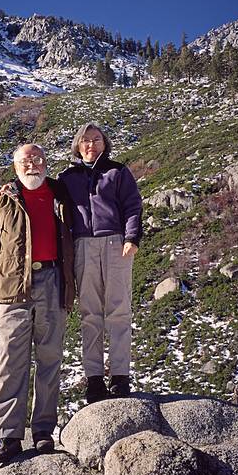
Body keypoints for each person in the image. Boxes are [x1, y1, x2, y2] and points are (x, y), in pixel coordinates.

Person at [0, 143, 74, 465]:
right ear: (16, 167)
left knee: (49, 360)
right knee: (11, 362)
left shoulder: (60, 196)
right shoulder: (4, 200)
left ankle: (43, 431)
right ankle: (8, 436)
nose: (32, 164)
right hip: (13, 291)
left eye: (37, 159)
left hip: (53, 283)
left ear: (45, 162)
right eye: (25, 160)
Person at [58, 122, 142, 404]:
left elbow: (132, 206)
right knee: (90, 314)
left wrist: (132, 237)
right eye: (85, 140)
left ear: (104, 144)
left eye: (96, 139)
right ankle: (94, 380)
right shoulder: (67, 177)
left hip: (116, 244)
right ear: (77, 145)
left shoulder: (117, 172)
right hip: (83, 245)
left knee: (119, 311)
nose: (91, 145)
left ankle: (120, 377)